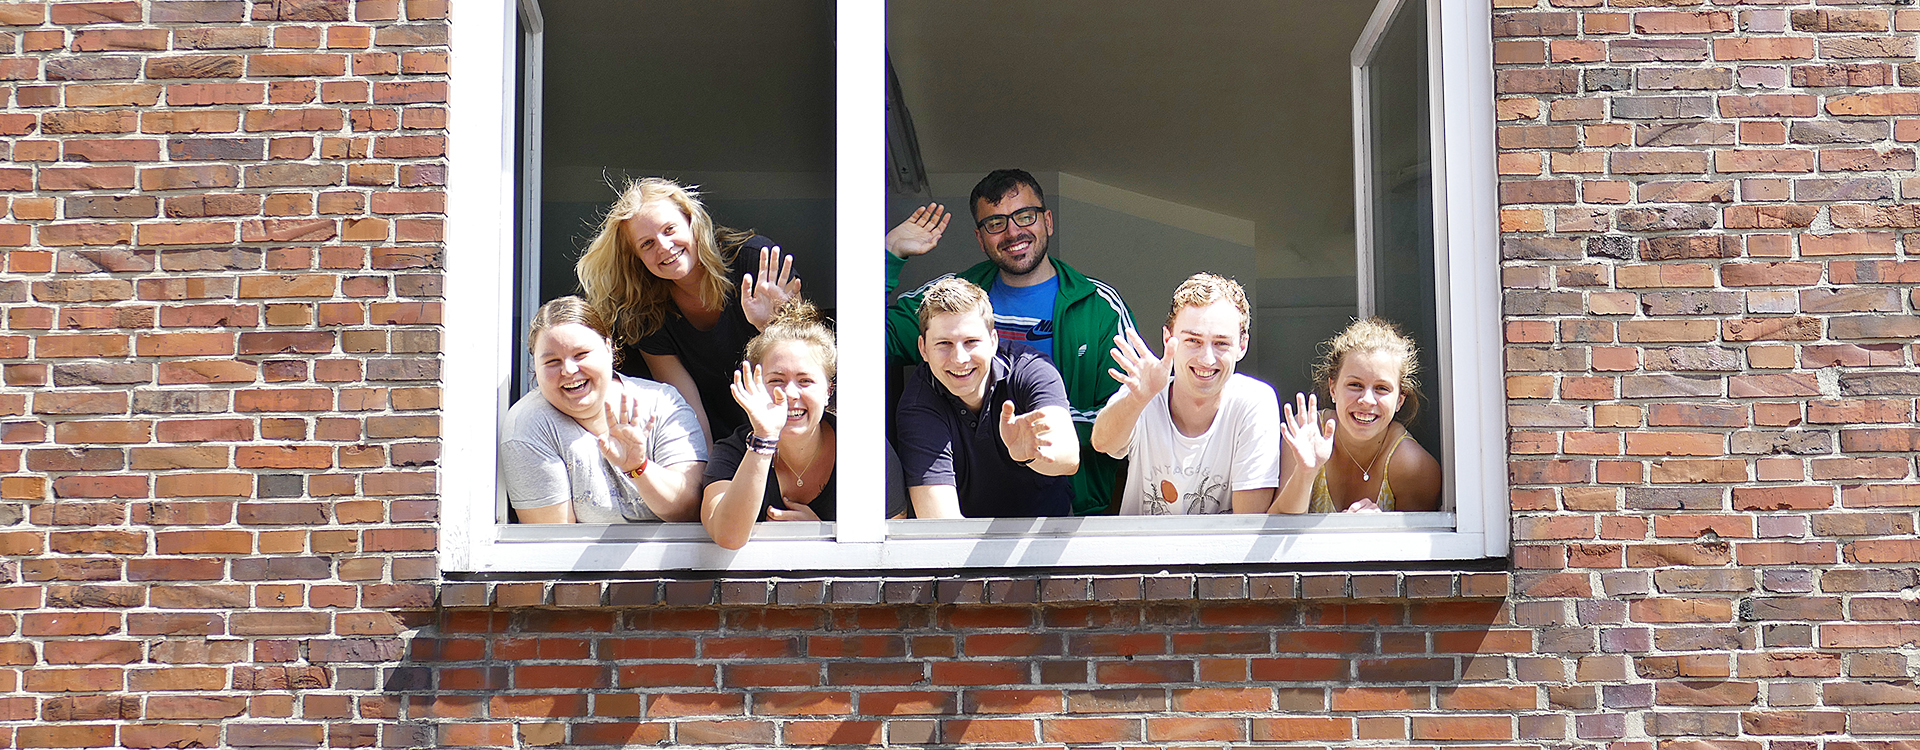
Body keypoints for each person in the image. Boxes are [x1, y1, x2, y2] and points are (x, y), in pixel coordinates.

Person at [885, 169, 1135, 516]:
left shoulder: (1098, 305)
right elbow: (862, 340)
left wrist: (1036, 434)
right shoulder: (955, 300)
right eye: (995, 223)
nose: (1013, 231)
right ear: (980, 237)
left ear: (1047, 221)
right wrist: (888, 254)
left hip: (1074, 515)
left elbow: (1128, 414)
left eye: (1025, 216)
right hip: (969, 514)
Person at [577, 177, 802, 445]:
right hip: (721, 440)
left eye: (669, 229)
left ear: (691, 222)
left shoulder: (754, 263)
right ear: (635, 258)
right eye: (646, 244)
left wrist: (770, 327)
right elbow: (686, 408)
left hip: (788, 425)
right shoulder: (643, 312)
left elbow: (807, 365)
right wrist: (705, 472)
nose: (663, 245)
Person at [699, 300, 910, 548]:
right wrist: (764, 439)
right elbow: (727, 536)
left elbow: (892, 552)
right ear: (756, 385)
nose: (790, 393)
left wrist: (822, 534)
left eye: (805, 380)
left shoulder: (865, 448)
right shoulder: (733, 452)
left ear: (828, 390)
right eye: (776, 379)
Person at [501, 296, 707, 524]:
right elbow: (554, 544)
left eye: (581, 355)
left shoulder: (662, 401)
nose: (568, 370)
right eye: (552, 362)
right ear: (535, 367)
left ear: (609, 348)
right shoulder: (529, 424)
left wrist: (639, 468)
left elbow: (690, 511)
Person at [1090, 274, 1284, 515]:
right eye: (1193, 340)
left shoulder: (1254, 401)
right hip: (1142, 551)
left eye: (1221, 343)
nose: (1207, 359)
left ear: (1242, 346)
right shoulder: (1147, 389)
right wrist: (1137, 399)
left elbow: (1248, 522)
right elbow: (1102, 443)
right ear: (1168, 338)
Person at [894, 277, 1079, 519]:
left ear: (993, 342)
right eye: (944, 344)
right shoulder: (918, 405)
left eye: (971, 341)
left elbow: (1068, 458)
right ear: (923, 349)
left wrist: (1028, 455)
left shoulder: (1032, 369)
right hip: (964, 545)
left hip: (1046, 530)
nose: (960, 358)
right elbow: (940, 525)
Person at [1275, 318, 1443, 514]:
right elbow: (1276, 530)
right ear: (1333, 389)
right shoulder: (1308, 433)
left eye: (1382, 388)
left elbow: (1417, 544)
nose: (1367, 400)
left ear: (1400, 400)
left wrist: (1379, 532)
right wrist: (1305, 473)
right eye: (1355, 385)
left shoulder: (1413, 465)